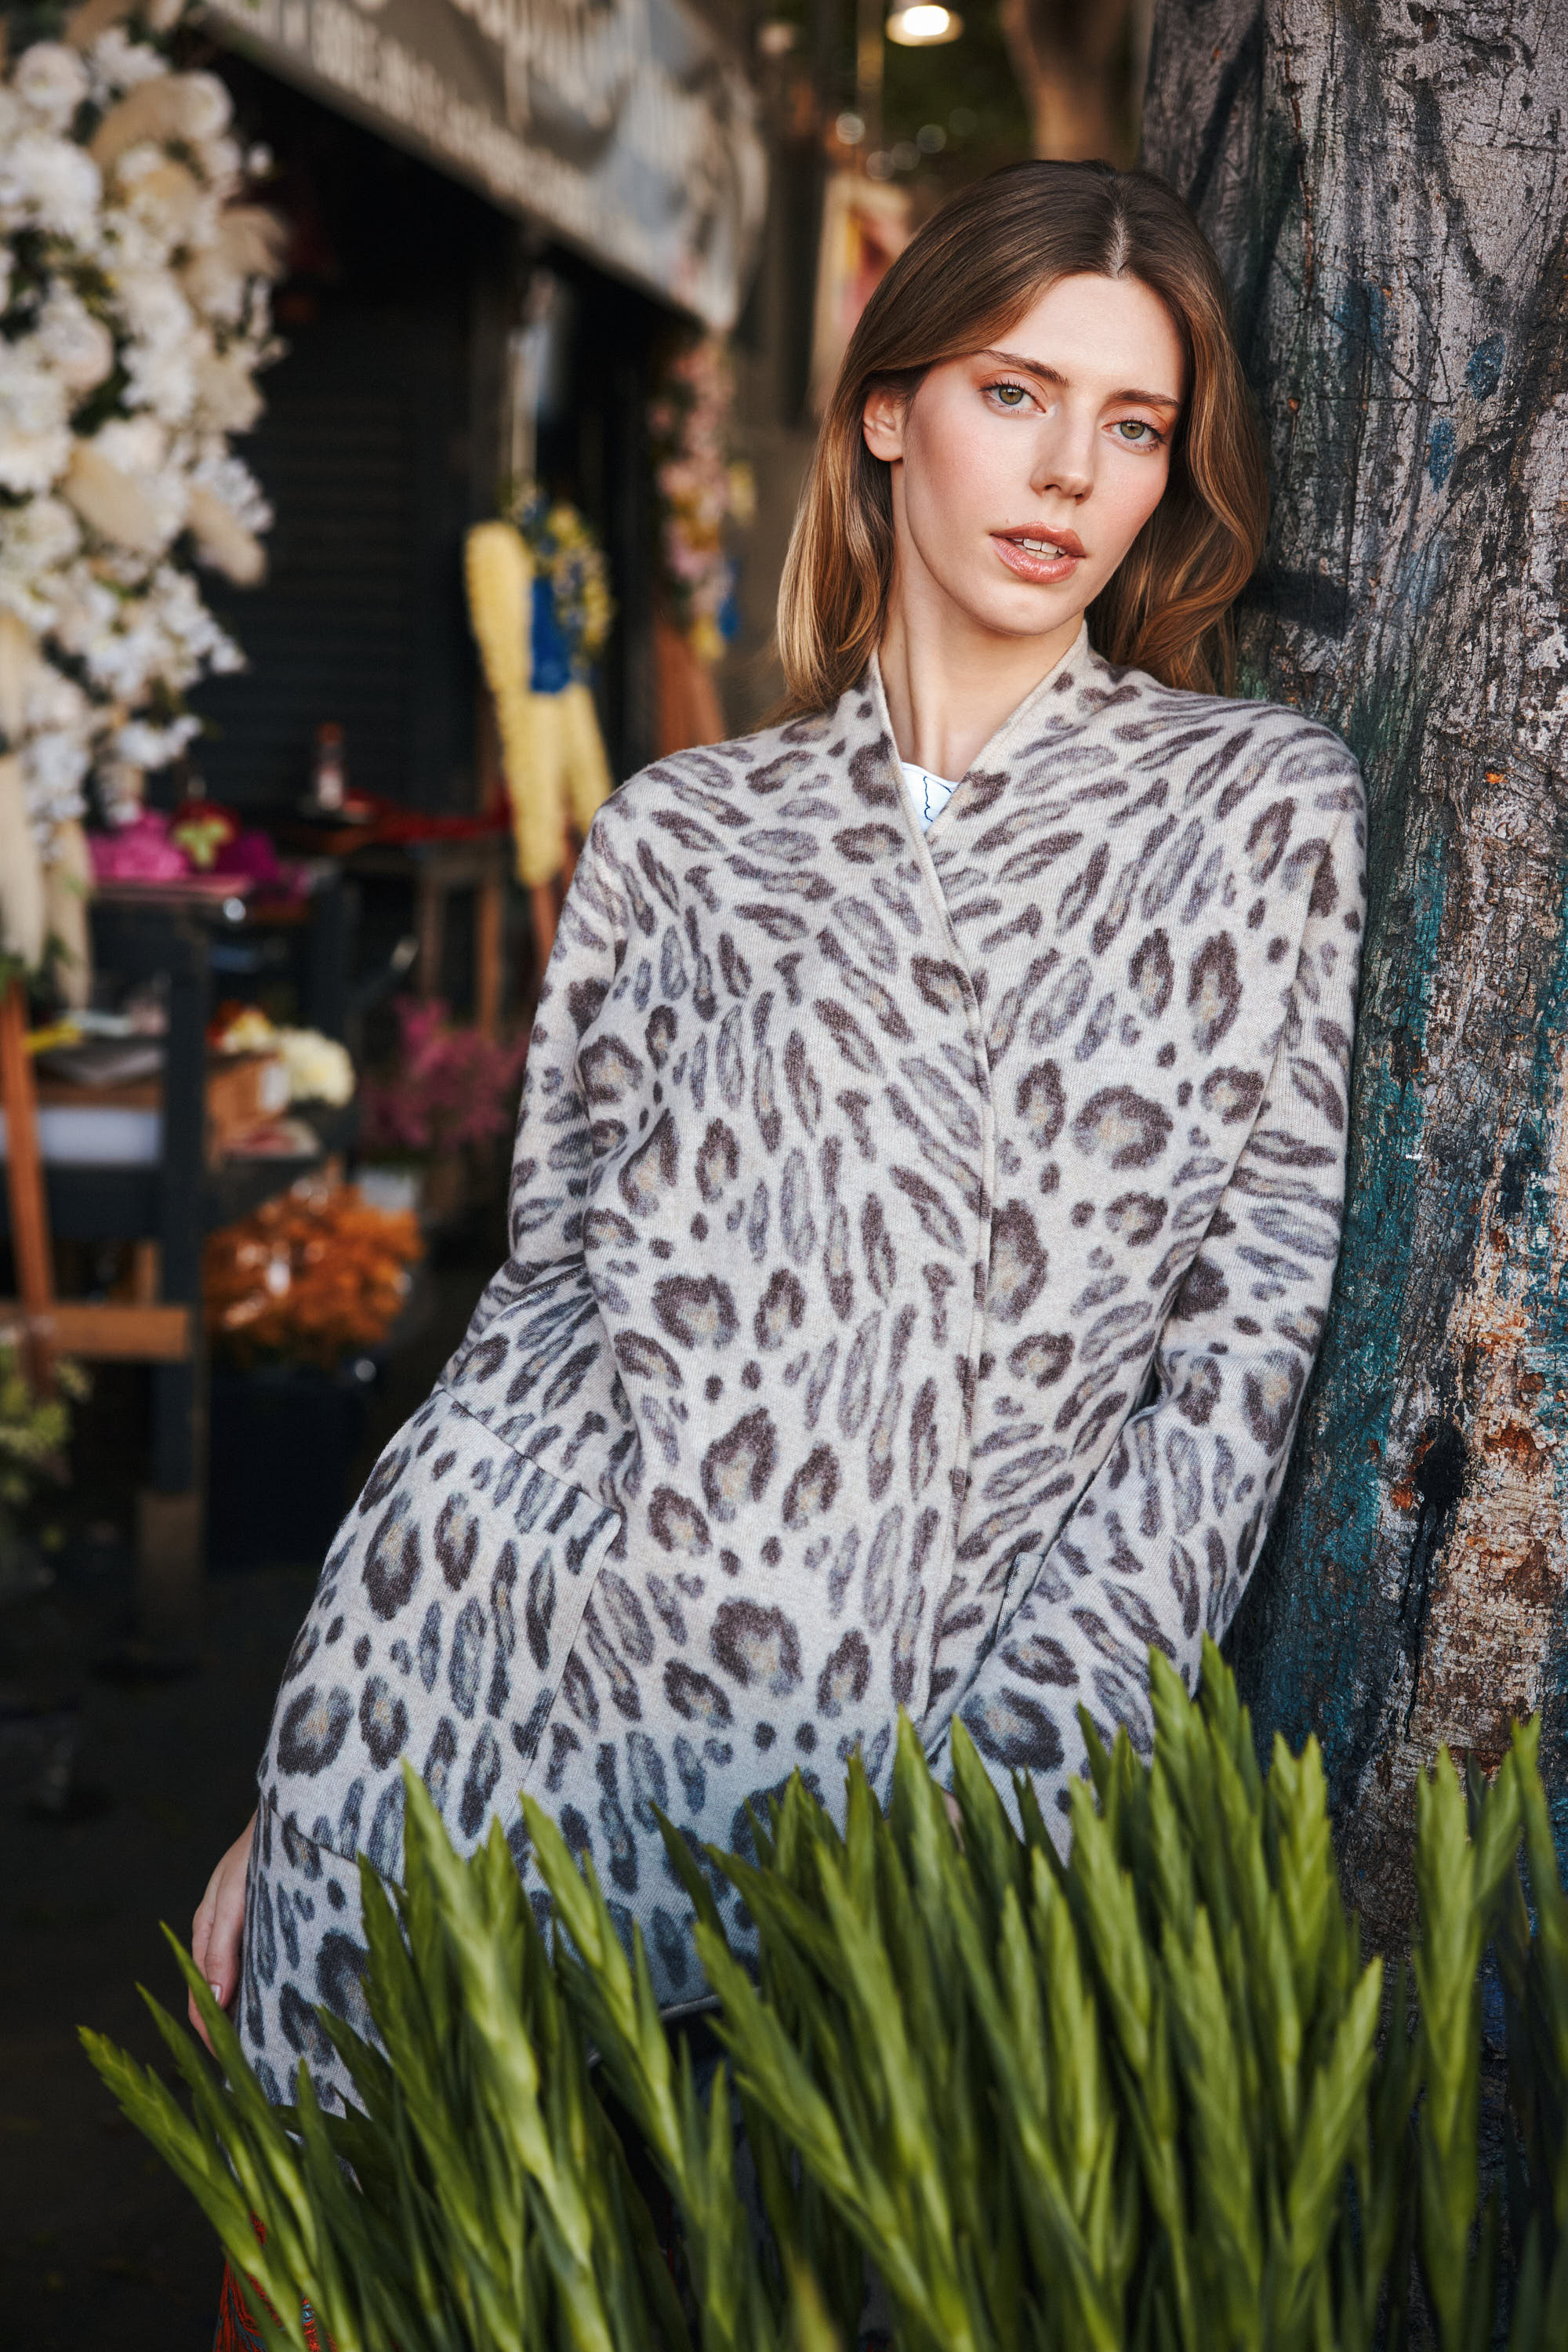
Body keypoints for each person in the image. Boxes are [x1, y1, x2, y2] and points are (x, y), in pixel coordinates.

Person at [192, 158, 1365, 2111]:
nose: (1070, 471)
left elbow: (1234, 1351)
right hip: (500, 1692)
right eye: (1014, 393)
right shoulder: (685, 832)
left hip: (917, 1772)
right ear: (888, 407)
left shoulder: (1245, 809)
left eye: (1132, 424)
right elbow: (545, 1308)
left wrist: (1018, 1773)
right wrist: (316, 1762)